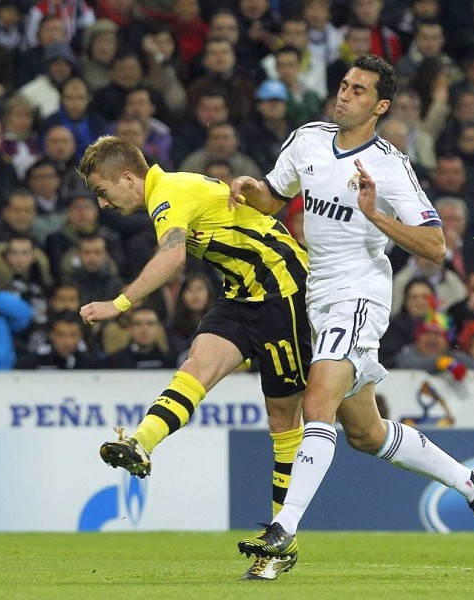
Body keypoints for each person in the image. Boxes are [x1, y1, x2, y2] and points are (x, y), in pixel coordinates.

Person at [229, 55, 474, 571]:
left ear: (379, 106)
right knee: (366, 433)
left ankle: (283, 531)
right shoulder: (308, 138)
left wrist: (375, 214)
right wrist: (252, 190)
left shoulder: (390, 165)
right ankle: (473, 484)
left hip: (360, 295)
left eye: (358, 91)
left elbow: (435, 245)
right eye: (343, 85)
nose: (345, 95)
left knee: (317, 402)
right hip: (319, 295)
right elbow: (274, 197)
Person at [79, 135, 310, 581]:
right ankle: (140, 443)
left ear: (128, 178)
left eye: (103, 192)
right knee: (195, 368)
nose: (104, 204)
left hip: (282, 290)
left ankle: (283, 539)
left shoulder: (168, 193)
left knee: (283, 421)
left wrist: (119, 305)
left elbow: (172, 256)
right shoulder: (170, 192)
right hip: (240, 294)